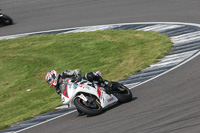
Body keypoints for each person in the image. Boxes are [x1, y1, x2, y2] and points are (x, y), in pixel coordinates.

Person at [45, 69, 112, 95]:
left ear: (54, 76)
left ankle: (105, 82)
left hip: (80, 82)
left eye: (50, 80)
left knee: (90, 75)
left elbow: (76, 70)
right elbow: (64, 96)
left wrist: (78, 76)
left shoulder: (64, 74)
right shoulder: (58, 89)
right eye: (49, 82)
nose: (50, 83)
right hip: (75, 92)